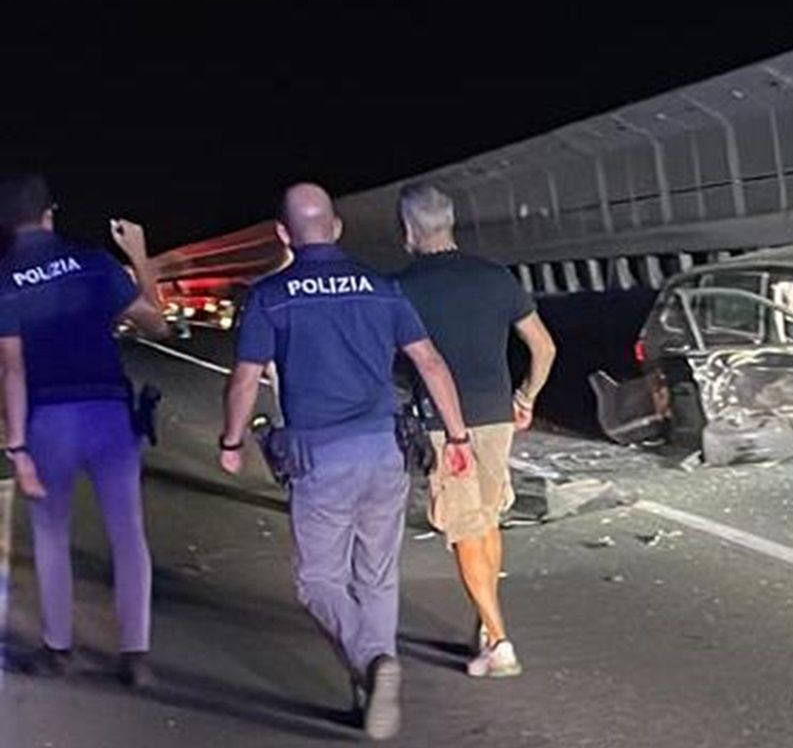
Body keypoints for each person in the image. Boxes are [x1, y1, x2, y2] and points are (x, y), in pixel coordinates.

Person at [219, 183, 473, 742]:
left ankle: (370, 662)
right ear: (336, 227)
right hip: (384, 449)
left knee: (317, 581)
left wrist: (232, 440)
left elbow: (245, 378)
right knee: (376, 577)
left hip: (320, 456)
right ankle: (370, 694)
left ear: (284, 234)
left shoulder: (272, 296)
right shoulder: (381, 288)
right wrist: (457, 435)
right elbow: (428, 361)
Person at [0, 172, 168, 688]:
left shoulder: (4, 278)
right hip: (109, 414)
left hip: (48, 420)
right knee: (128, 535)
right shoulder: (94, 262)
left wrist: (19, 448)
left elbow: (11, 368)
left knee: (51, 536)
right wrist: (139, 255)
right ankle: (135, 657)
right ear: (50, 212)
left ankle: (58, 651)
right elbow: (156, 324)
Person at [396, 182, 556, 679]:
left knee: (464, 528)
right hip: (497, 416)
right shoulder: (495, 277)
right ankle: (488, 629)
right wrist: (525, 398)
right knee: (485, 519)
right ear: (451, 223)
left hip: (449, 426)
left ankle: (500, 641)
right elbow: (544, 348)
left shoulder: (401, 288)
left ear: (407, 230)